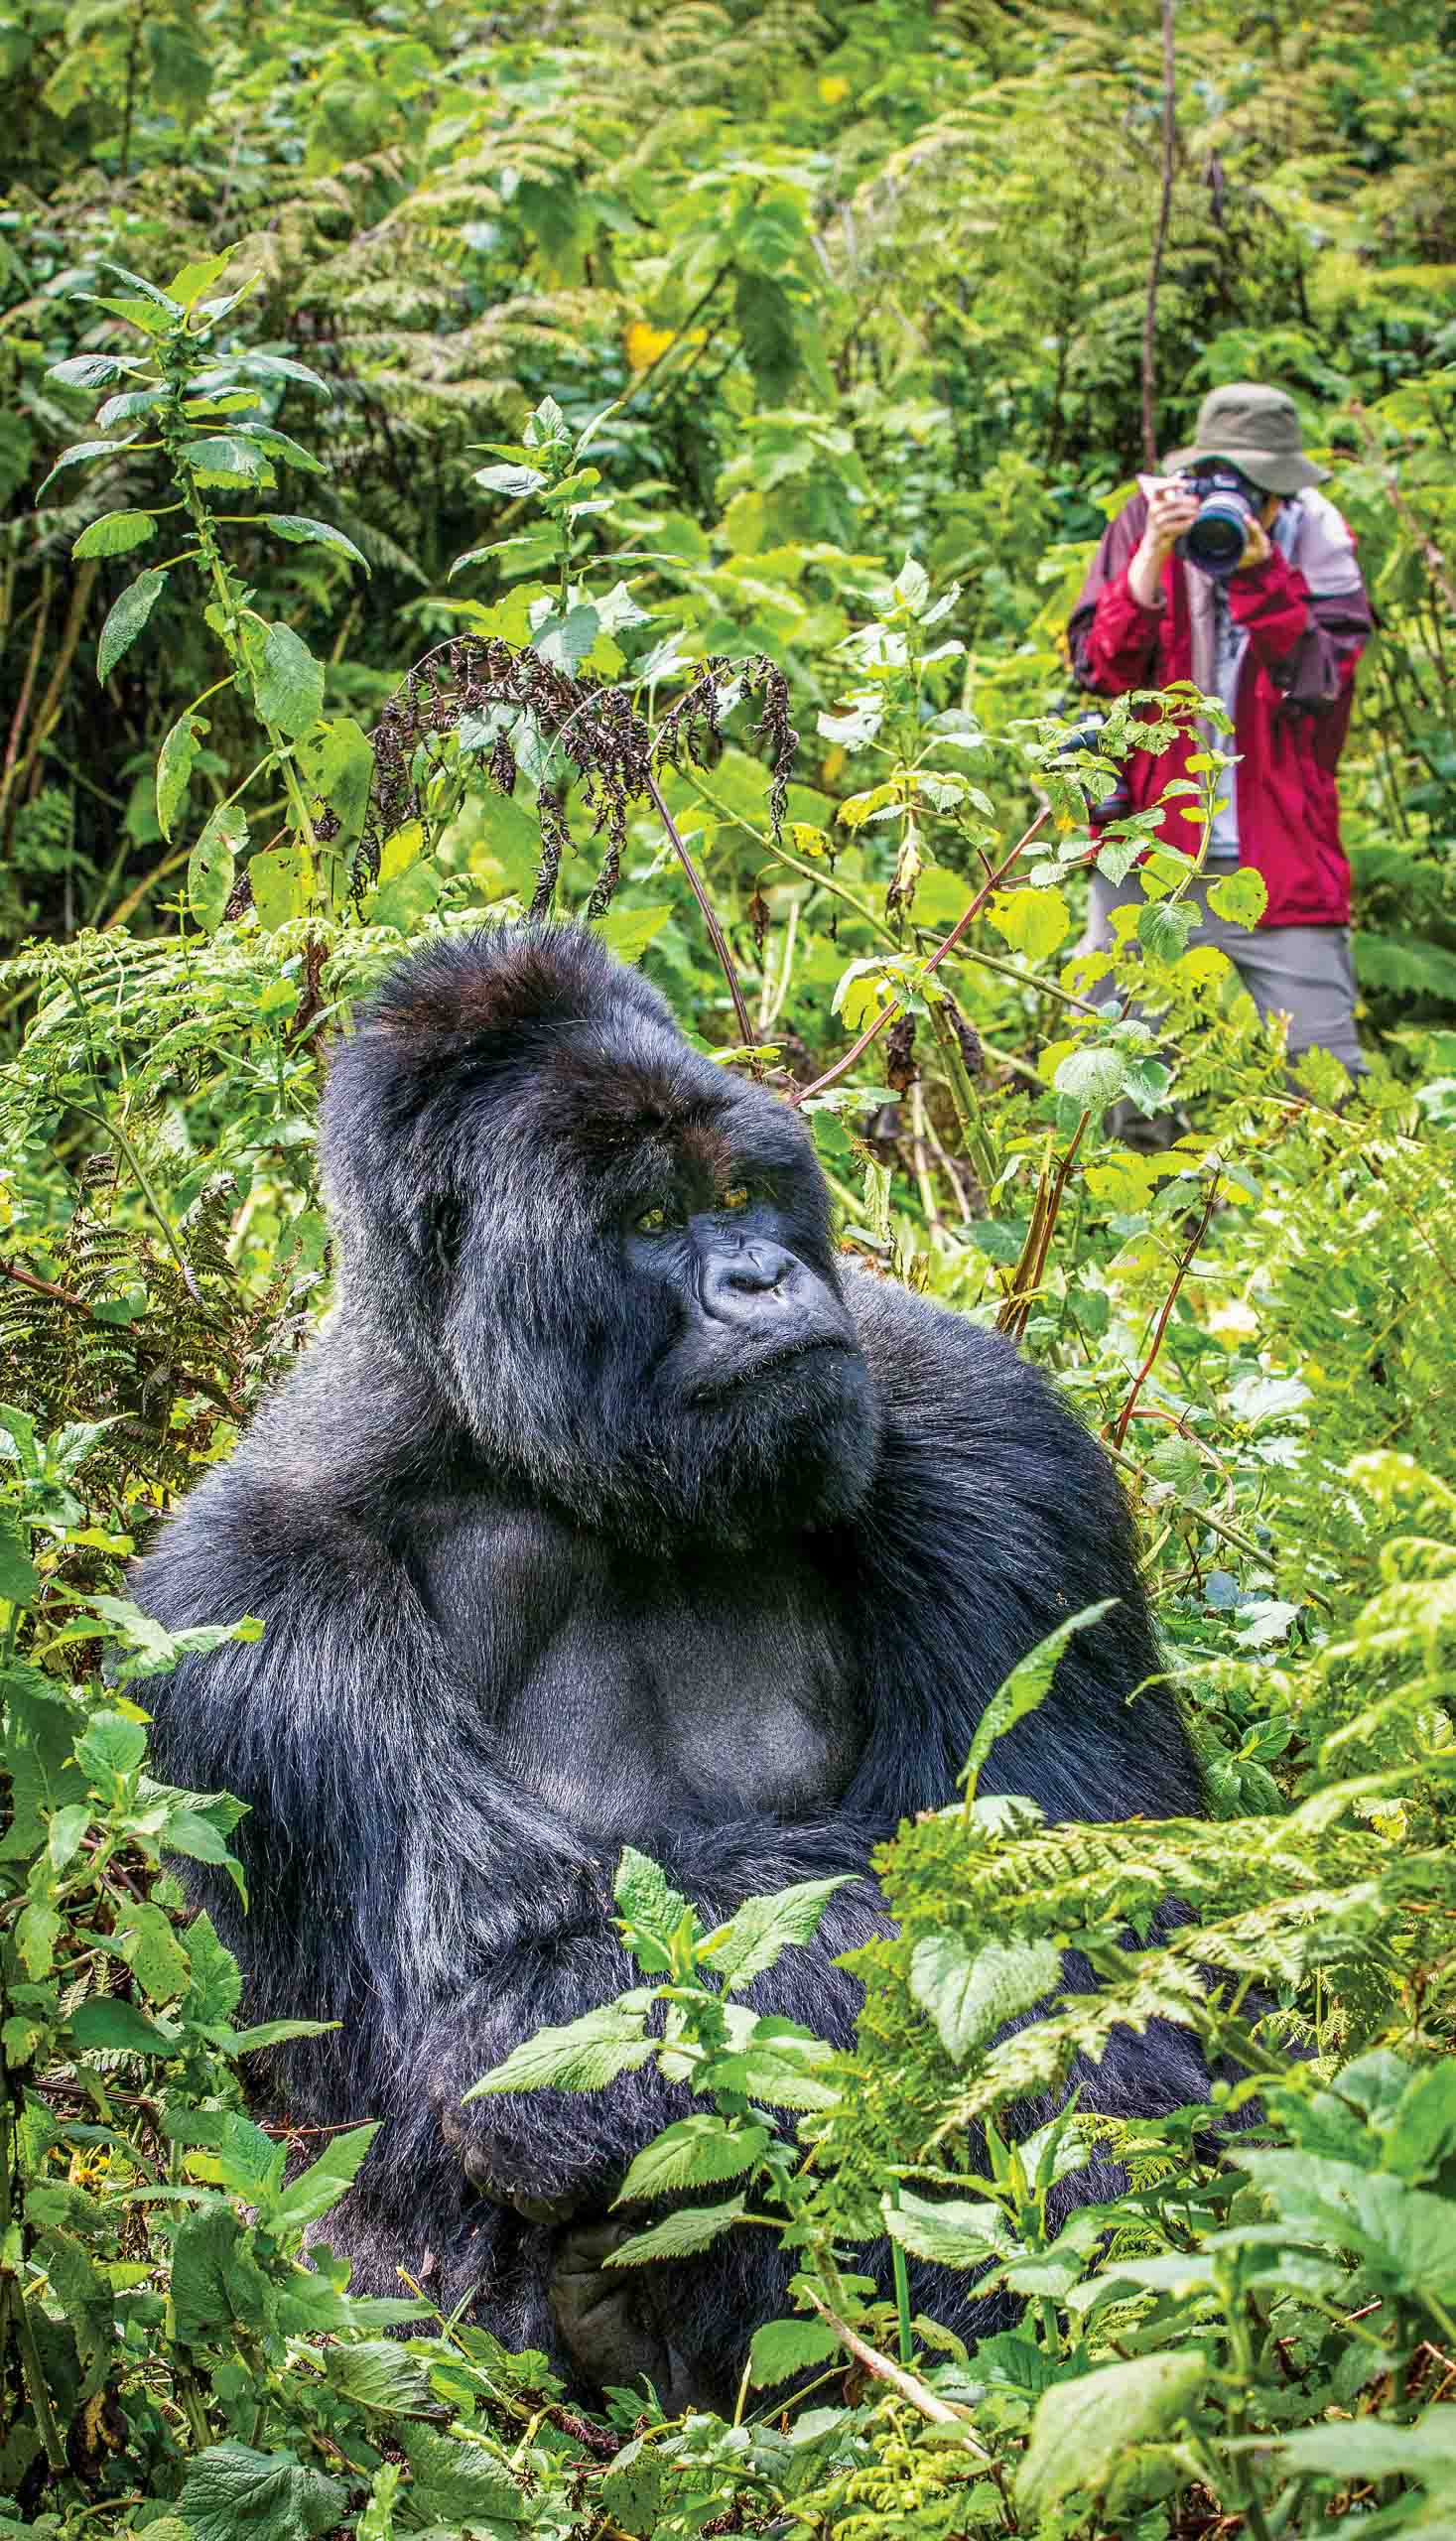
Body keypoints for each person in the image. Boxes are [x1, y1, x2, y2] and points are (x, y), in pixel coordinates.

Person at [1067, 382, 1373, 1137]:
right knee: (1120, 1087)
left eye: (1259, 491)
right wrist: (1151, 555)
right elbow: (1101, 671)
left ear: (1284, 492)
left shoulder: (1320, 542)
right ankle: (1137, 1244)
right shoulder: (1143, 524)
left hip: (1282, 855)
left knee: (1326, 1089)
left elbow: (1318, 688)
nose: (1239, 506)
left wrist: (1262, 574)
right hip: (1148, 852)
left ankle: (1324, 1243)